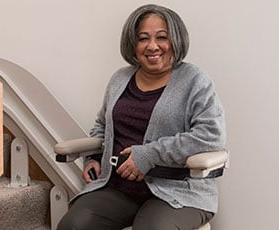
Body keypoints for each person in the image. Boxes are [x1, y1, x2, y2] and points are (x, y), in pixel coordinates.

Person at [58, 4, 226, 230]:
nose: (152, 46)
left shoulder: (195, 80)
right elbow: (102, 125)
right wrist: (94, 158)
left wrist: (148, 155)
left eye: (162, 37)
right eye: (143, 38)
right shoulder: (120, 78)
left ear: (175, 40)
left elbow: (210, 136)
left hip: (176, 191)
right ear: (133, 44)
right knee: (73, 225)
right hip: (119, 188)